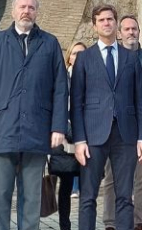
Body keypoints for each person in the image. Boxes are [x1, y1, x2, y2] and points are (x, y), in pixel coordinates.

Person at [0, 0, 69, 230]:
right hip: (3, 128)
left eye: (31, 7)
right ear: (13, 11)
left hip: (37, 129)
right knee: (1, 195)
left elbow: (60, 88)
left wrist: (58, 126)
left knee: (31, 197)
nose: (26, 11)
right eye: (22, 7)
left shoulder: (49, 43)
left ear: (36, 12)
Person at [73, 5, 142, 230]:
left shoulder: (130, 57)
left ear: (116, 24)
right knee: (88, 196)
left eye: (110, 19)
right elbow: (76, 102)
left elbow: (141, 100)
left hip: (125, 135)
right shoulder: (85, 58)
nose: (106, 23)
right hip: (93, 134)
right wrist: (79, 140)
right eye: (102, 20)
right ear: (95, 25)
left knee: (125, 196)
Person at [101, 15, 142, 230]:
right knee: (112, 178)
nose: (131, 32)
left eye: (135, 29)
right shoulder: (112, 57)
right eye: (127, 29)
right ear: (119, 33)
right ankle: (111, 222)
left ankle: (139, 221)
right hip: (117, 129)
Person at [50, 42, 85, 230]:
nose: (78, 57)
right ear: (69, 57)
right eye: (75, 54)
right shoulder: (61, 78)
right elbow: (56, 106)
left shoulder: (93, 77)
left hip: (87, 138)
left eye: (82, 54)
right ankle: (65, 224)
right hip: (64, 138)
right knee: (66, 185)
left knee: (87, 187)